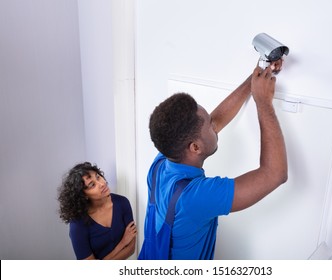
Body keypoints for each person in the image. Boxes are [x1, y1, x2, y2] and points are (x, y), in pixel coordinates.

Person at [142, 60, 288, 260]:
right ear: (195, 148)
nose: (215, 125)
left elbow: (216, 121)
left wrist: (255, 80)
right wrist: (263, 102)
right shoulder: (195, 197)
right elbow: (274, 174)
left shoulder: (162, 161)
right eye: (210, 126)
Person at [58, 162, 137, 260]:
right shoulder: (77, 223)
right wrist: (122, 243)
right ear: (84, 195)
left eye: (98, 177)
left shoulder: (122, 202)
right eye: (92, 185)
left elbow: (131, 249)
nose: (102, 184)